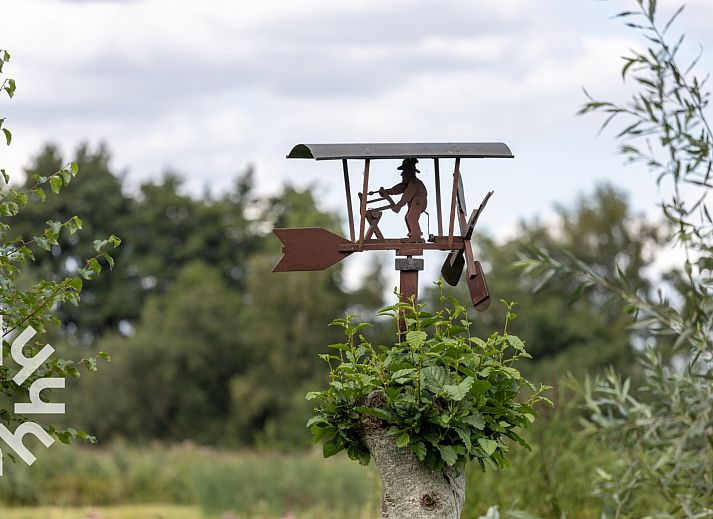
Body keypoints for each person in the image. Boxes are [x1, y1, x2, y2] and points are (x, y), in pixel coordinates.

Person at [374, 158, 428, 242]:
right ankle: (414, 235)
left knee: (411, 217)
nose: (402, 174)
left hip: (418, 201)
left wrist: (398, 206)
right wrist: (387, 192)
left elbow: (407, 195)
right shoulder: (407, 183)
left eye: (404, 171)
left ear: (409, 172)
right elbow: (398, 189)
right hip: (415, 202)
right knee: (408, 217)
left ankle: (416, 237)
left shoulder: (414, 182)